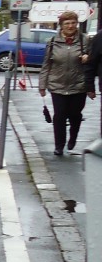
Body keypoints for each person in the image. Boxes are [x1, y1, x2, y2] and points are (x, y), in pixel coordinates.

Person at [38, 11, 94, 156]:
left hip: (78, 85)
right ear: (61, 26)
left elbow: (93, 62)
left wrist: (88, 58)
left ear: (77, 24)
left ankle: (73, 137)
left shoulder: (84, 40)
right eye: (67, 23)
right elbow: (46, 65)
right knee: (59, 115)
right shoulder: (52, 42)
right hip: (57, 85)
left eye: (73, 23)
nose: (70, 26)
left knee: (75, 114)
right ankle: (59, 145)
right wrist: (42, 85)